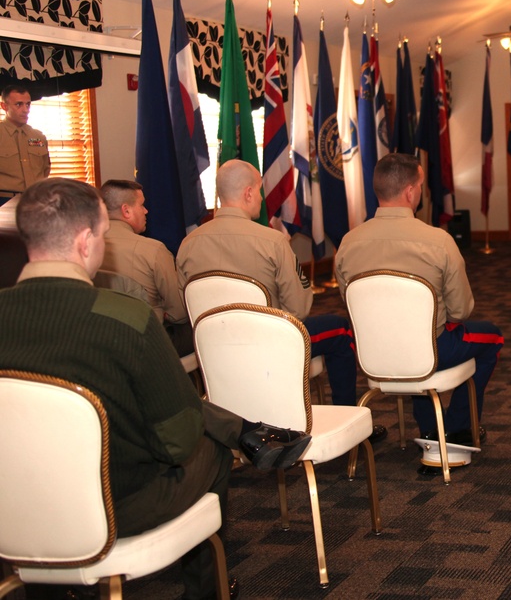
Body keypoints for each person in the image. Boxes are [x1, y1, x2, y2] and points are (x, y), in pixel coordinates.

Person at [0, 178, 313, 599]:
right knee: (210, 445)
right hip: (114, 507)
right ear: (85, 241)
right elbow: (179, 441)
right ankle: (207, 588)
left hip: (11, 508)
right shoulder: (125, 317)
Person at [176, 160, 385, 442]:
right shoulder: (272, 241)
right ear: (248, 193)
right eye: (260, 192)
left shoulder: (188, 245)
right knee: (339, 329)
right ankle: (347, 417)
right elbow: (299, 309)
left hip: (215, 352)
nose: (261, 199)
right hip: (269, 347)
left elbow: (185, 306)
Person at [335, 153, 503, 473]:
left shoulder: (348, 243)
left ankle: (429, 428)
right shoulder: (438, 240)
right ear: (411, 192)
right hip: (430, 351)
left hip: (373, 355)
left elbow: (352, 303)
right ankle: (457, 426)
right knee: (491, 336)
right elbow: (461, 310)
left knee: (408, 338)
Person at [99, 179, 192, 353]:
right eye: (142, 205)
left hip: (102, 338)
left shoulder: (87, 247)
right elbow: (178, 313)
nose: (146, 211)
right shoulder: (153, 250)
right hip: (147, 342)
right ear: (126, 210)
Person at [0, 84, 50, 198]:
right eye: (19, 104)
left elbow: (45, 169)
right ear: (4, 106)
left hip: (35, 199)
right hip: (4, 199)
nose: (25, 110)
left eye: (28, 104)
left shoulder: (38, 136)